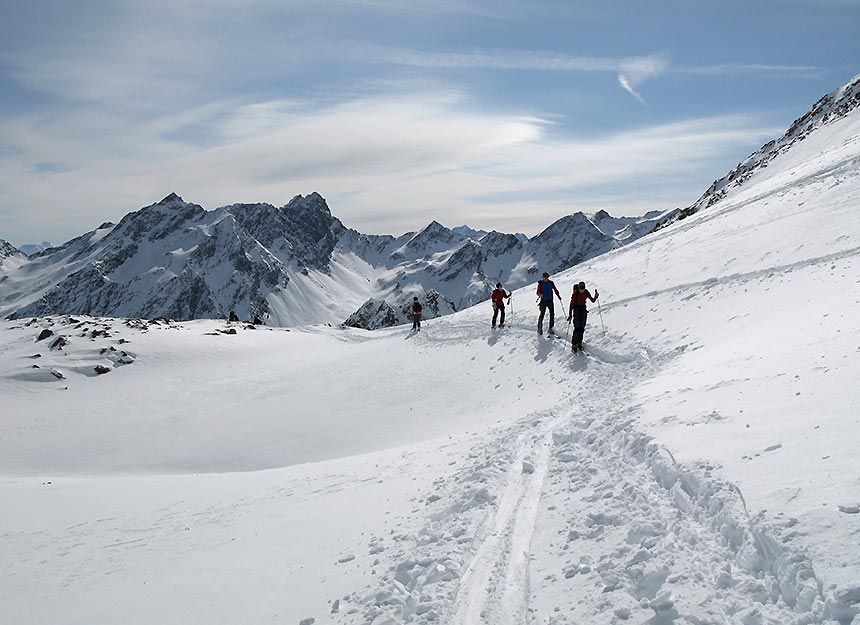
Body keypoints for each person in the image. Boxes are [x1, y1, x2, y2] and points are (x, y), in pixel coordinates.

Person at [567, 281, 598, 351]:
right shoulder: (576, 293)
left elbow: (592, 300)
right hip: (577, 310)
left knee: (582, 327)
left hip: (583, 310)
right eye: (581, 289)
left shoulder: (586, 292)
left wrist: (595, 296)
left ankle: (579, 342)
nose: (582, 290)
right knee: (577, 327)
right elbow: (571, 304)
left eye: (583, 289)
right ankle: (574, 344)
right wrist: (570, 314)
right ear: (578, 288)